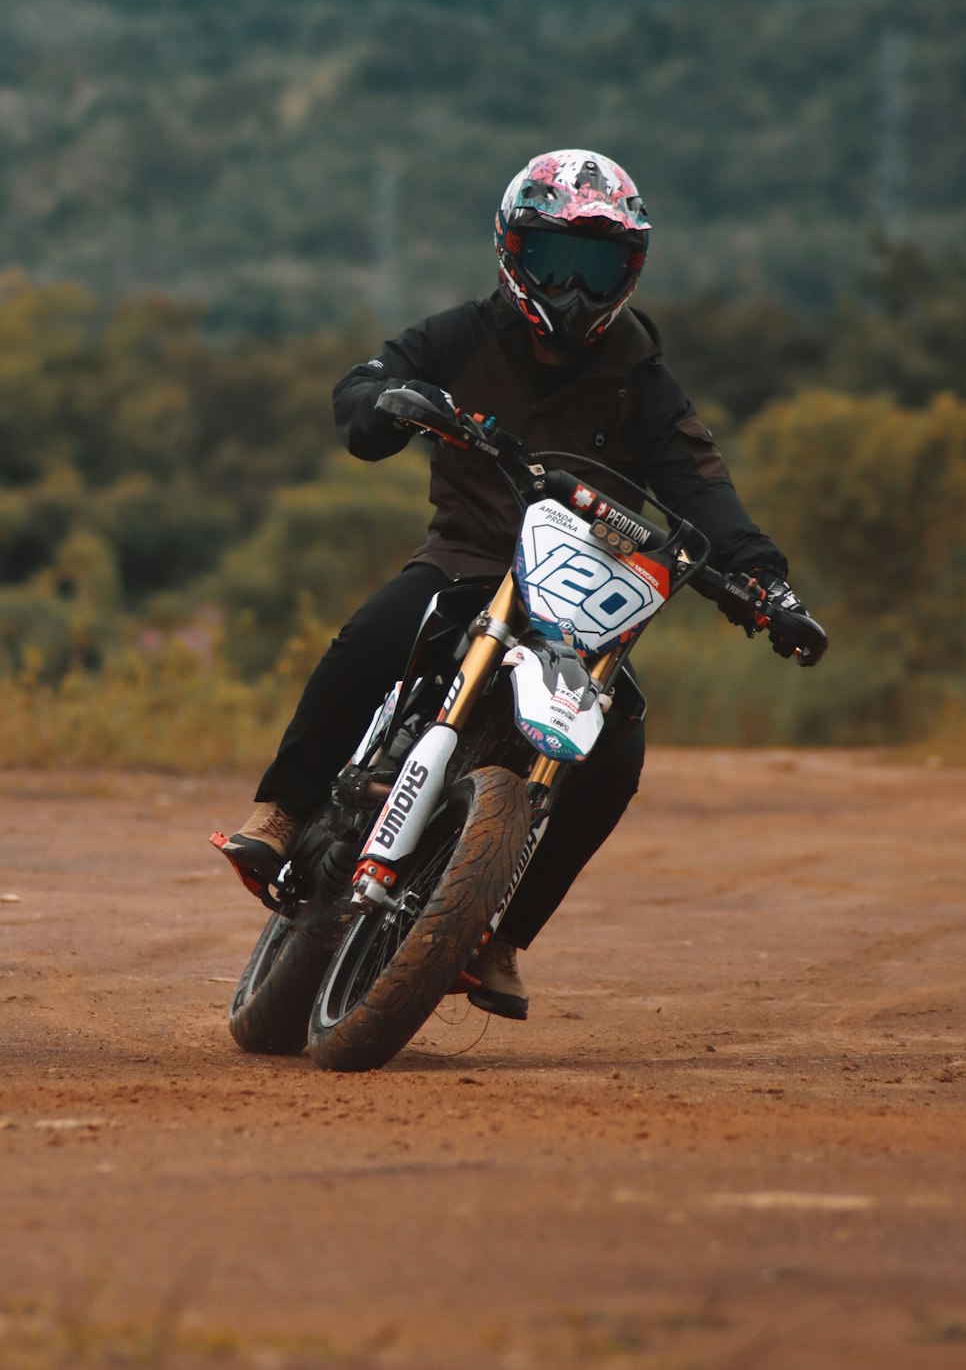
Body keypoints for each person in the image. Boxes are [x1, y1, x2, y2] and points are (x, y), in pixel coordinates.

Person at [219, 148, 813, 1020]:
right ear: (510, 249)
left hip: (574, 595)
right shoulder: (462, 334)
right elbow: (368, 381)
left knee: (618, 748)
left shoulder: (641, 376)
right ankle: (280, 812)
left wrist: (765, 582)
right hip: (467, 557)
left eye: (597, 265)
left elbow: (699, 484)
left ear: (631, 270)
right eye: (552, 260)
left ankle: (497, 936)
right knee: (379, 632)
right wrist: (385, 404)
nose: (572, 288)